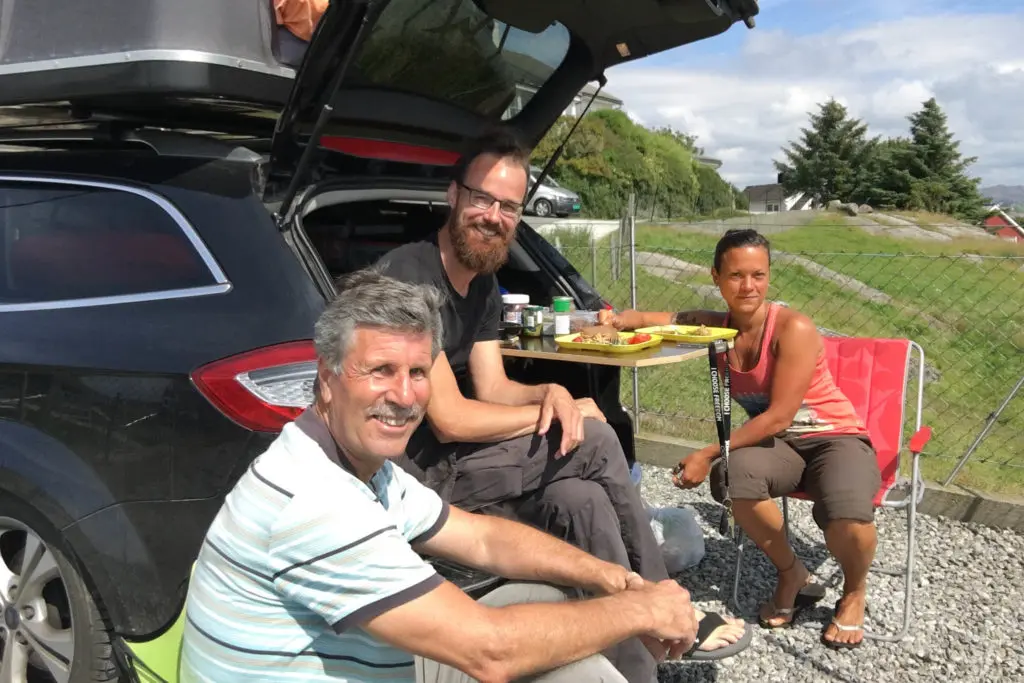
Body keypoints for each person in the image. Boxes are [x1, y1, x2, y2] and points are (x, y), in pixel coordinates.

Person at [179, 269, 714, 683]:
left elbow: (482, 536)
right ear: (327, 380)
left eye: (417, 372)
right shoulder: (314, 501)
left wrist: (609, 578)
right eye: (380, 371)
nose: (405, 395)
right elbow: (490, 650)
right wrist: (638, 608)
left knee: (551, 607)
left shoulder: (363, 469)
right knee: (541, 641)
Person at [376, 129, 749, 680]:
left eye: (509, 206)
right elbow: (451, 419)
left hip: (469, 463)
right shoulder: (411, 278)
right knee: (594, 439)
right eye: (483, 198)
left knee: (581, 500)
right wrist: (558, 415)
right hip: (423, 478)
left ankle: (634, 662)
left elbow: (494, 388)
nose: (494, 216)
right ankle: (667, 604)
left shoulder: (481, 282)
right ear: (454, 196)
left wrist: (553, 394)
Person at [601, 228, 881, 650]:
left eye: (758, 275)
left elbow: (780, 415)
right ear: (716, 276)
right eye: (735, 276)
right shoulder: (720, 327)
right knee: (732, 476)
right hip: (781, 447)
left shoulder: (794, 328)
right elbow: (672, 319)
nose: (748, 286)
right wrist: (621, 318)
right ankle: (792, 573)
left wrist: (707, 452)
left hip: (833, 437)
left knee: (847, 514)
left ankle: (854, 592)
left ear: (768, 277)